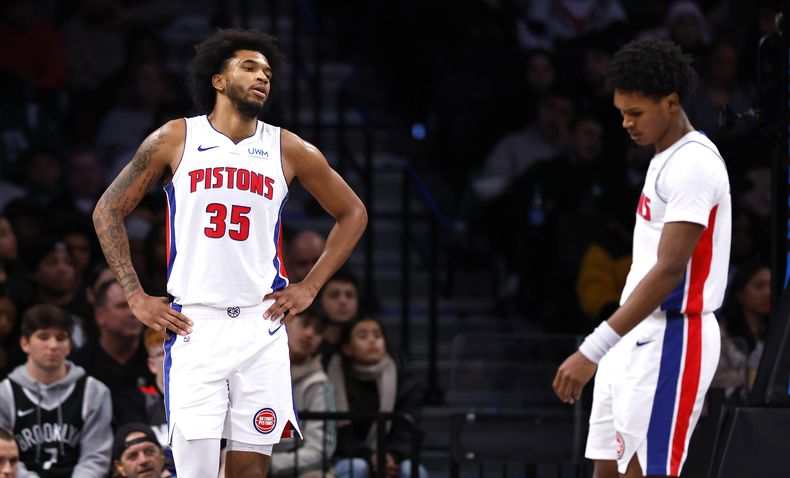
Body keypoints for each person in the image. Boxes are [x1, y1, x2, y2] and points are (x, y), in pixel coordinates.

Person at [92, 28, 367, 478]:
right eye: (250, 67)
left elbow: (353, 212)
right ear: (218, 80)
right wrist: (135, 296)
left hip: (261, 326)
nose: (263, 78)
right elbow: (107, 211)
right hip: (196, 324)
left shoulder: (288, 147)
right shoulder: (175, 138)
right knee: (196, 472)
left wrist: (311, 286)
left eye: (268, 72)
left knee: (250, 473)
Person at [552, 39, 731, 478]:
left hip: (674, 336)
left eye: (635, 113)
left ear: (671, 103)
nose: (626, 123)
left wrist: (593, 348)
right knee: (607, 472)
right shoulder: (661, 159)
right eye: (621, 113)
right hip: (633, 333)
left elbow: (670, 270)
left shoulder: (694, 165)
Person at [0, 304, 113, 477]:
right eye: (43, 337)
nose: (53, 345)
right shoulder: (5, 393)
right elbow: (3, 459)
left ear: (69, 346)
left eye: (61, 338)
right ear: (25, 343)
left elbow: (96, 457)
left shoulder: (94, 391)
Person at [327, 317, 427, 478]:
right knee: (356, 467)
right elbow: (339, 434)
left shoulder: (403, 380)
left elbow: (408, 430)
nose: (372, 341)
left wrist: (392, 456)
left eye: (377, 335)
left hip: (394, 457)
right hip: (348, 455)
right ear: (347, 348)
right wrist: (369, 456)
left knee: (411, 470)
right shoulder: (335, 377)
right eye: (363, 336)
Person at [270, 307, 335, 478]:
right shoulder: (258, 372)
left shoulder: (318, 383)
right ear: (285, 323)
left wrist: (268, 464)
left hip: (300, 471)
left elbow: (320, 450)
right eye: (305, 324)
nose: (309, 334)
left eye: (318, 331)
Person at [71, 279, 153, 396]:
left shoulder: (158, 358)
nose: (132, 313)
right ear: (100, 315)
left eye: (136, 305)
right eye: (122, 306)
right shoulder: (80, 366)